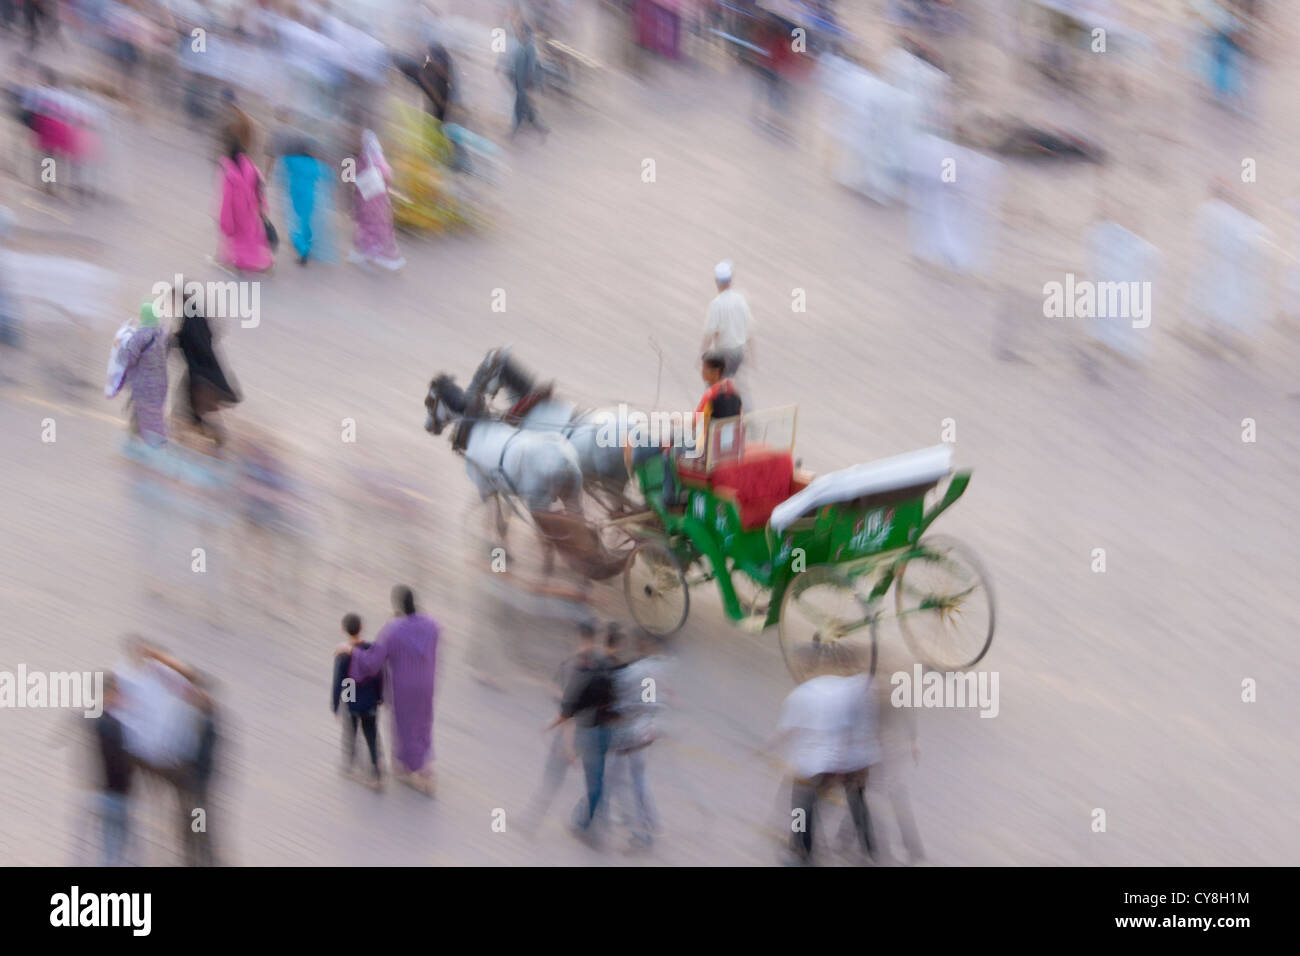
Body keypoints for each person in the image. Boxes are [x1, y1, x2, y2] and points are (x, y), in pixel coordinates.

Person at [770, 648, 881, 864]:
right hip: (854, 759)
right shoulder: (857, 686)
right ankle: (869, 849)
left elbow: (786, 731)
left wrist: (765, 750)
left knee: (800, 808)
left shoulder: (803, 693)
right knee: (855, 802)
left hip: (817, 762)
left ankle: (801, 851)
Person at [345, 586, 439, 795]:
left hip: (403, 687)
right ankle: (426, 768)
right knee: (423, 724)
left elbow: (372, 662)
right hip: (426, 684)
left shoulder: (392, 630)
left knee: (404, 726)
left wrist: (355, 652)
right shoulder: (432, 625)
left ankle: (412, 770)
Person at [547, 618, 618, 844]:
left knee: (591, 782)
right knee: (599, 781)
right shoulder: (609, 664)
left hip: (589, 730)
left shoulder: (583, 665)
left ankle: (584, 824)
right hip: (605, 729)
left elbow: (571, 711)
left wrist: (568, 745)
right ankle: (596, 823)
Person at [524, 619, 597, 832]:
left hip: (571, 734)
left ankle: (531, 822)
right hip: (590, 733)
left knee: (551, 779)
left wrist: (568, 746)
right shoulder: (598, 664)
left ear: (580, 637)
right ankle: (587, 824)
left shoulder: (575, 665)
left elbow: (570, 712)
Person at [607, 628, 667, 851]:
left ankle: (641, 829)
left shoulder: (632, 672)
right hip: (645, 730)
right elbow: (653, 704)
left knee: (623, 780)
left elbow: (623, 705)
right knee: (639, 778)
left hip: (630, 732)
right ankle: (650, 821)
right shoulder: (653, 670)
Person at [170, 282, 241, 444]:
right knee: (192, 404)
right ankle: (211, 433)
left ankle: (209, 433)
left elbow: (192, 340)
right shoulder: (195, 314)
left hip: (200, 371)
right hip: (205, 368)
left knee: (191, 404)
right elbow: (208, 335)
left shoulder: (190, 319)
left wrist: (175, 340)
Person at [267, 112, 334, 266]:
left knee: (293, 225)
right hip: (310, 198)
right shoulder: (314, 163)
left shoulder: (289, 160)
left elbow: (280, 175)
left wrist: (277, 183)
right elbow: (327, 176)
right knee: (306, 225)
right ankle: (307, 246)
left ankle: (302, 249)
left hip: (294, 197)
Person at [332, 612, 384, 789]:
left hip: (352, 697)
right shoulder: (370, 649)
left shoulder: (343, 654)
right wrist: (380, 697)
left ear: (343, 630)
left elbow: (340, 681)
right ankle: (377, 772)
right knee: (371, 735)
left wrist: (336, 706)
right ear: (361, 628)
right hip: (370, 698)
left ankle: (350, 765)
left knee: (351, 733)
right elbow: (379, 676)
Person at [348, 127, 405, 272]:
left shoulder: (362, 161)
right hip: (381, 204)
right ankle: (380, 255)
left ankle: (373, 255)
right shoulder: (381, 162)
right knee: (379, 228)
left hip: (367, 203)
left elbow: (353, 181)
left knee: (368, 228)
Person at [92, 674, 133, 866]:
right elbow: (117, 762)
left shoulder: (104, 720)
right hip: (114, 793)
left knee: (113, 845)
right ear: (107, 694)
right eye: (116, 692)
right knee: (117, 846)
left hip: (112, 793)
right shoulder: (108, 723)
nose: (121, 696)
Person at [217, 139, 274, 273]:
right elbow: (260, 186)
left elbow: (227, 199)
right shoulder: (251, 166)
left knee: (237, 237)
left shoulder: (228, 173)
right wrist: (262, 206)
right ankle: (260, 261)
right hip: (250, 207)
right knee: (251, 236)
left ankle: (240, 262)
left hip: (236, 210)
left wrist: (225, 221)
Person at [119, 302, 169, 447]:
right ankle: (153, 440)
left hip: (143, 383)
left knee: (141, 411)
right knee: (154, 412)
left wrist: (121, 346)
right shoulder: (160, 335)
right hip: (160, 382)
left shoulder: (140, 336)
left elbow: (129, 358)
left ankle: (140, 443)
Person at [702, 261, 754, 378]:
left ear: (716, 282)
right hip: (739, 353)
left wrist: (702, 355)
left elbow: (710, 333)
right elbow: (749, 329)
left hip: (724, 353)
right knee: (736, 382)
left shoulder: (716, 304)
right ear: (730, 281)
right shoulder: (740, 300)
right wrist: (752, 356)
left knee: (714, 383)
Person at [507, 6, 547, 138]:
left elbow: (531, 67)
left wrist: (529, 84)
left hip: (524, 83)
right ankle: (541, 129)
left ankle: (514, 131)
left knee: (519, 108)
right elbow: (516, 62)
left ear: (525, 31)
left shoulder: (529, 46)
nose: (518, 32)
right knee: (528, 110)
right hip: (520, 82)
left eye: (520, 30)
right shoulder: (522, 45)